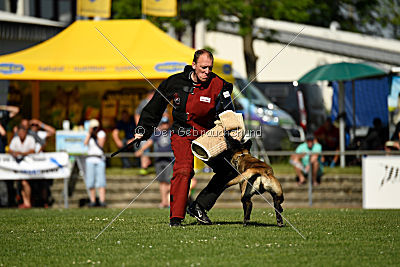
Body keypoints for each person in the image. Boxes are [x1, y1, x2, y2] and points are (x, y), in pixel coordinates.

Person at [131, 49, 235, 226]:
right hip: (182, 133)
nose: (207, 72)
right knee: (184, 170)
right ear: (194, 65)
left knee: (228, 170)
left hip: (207, 135)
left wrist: (233, 131)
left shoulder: (219, 84)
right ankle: (176, 218)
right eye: (203, 68)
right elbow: (156, 105)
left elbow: (228, 111)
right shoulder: (175, 82)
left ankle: (199, 207)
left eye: (209, 68)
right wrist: (143, 129)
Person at [135, 116, 173, 208]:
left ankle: (168, 201)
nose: (165, 125)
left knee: (169, 182)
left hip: (169, 160)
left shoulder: (172, 133)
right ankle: (164, 201)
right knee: (162, 182)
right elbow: (149, 142)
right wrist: (141, 150)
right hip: (159, 159)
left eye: (166, 123)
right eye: (163, 124)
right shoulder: (157, 134)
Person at [8, 124, 36, 208]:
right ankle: (25, 201)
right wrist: (14, 153)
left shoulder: (30, 139)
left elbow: (32, 150)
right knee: (20, 183)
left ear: (25, 132)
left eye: (22, 133)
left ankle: (27, 202)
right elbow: (10, 149)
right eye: (19, 133)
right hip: (17, 165)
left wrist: (21, 153)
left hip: (29, 164)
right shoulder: (15, 139)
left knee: (24, 182)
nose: (21, 134)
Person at [84, 119, 107, 207]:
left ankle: (102, 200)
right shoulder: (88, 134)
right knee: (90, 181)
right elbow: (85, 144)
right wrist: (90, 134)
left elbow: (101, 144)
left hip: (99, 159)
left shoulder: (101, 133)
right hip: (90, 159)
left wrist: (95, 135)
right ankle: (92, 200)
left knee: (101, 181)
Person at [135, 92, 155, 175]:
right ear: (149, 95)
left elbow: (165, 114)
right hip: (145, 130)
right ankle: (144, 167)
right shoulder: (143, 103)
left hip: (157, 129)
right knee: (144, 146)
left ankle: (161, 166)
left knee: (160, 146)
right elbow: (137, 114)